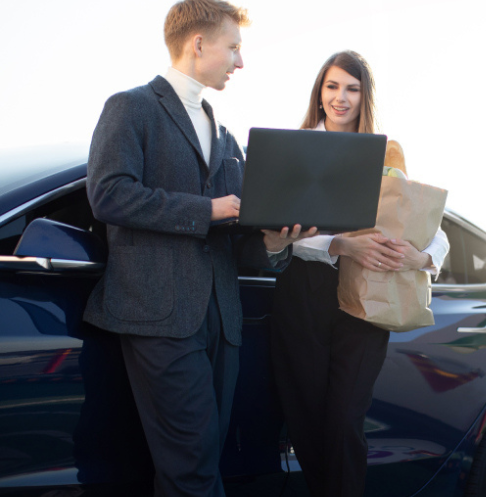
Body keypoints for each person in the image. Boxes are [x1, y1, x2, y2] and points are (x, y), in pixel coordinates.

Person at [83, 0, 314, 495]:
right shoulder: (131, 107)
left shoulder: (227, 136)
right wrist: (208, 210)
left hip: (221, 319)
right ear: (199, 43)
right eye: (234, 47)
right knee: (190, 463)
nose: (240, 61)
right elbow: (109, 193)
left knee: (203, 455)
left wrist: (275, 240)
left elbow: (238, 237)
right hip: (157, 314)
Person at [270, 50, 450, 496]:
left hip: (366, 294)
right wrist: (339, 243)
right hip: (303, 294)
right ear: (319, 92)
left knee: (346, 418)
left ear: (364, 96)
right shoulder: (294, 147)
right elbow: (278, 230)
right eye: (332, 86)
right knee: (306, 418)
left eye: (352, 88)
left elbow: (430, 227)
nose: (341, 98)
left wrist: (421, 259)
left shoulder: (385, 152)